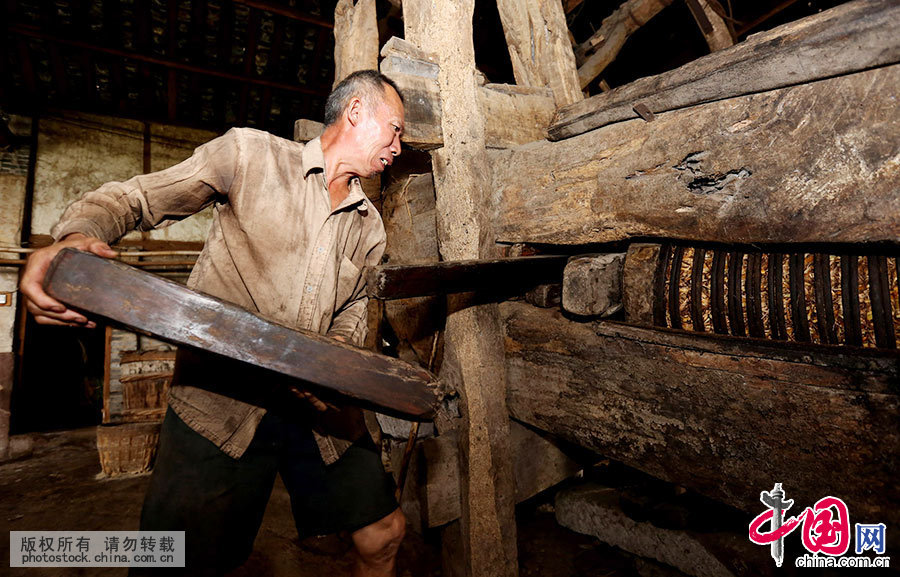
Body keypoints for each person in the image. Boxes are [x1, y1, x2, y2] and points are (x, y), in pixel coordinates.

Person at [20, 70, 407, 577]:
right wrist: (74, 235)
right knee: (178, 562)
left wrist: (330, 364)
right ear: (356, 111)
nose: (399, 147)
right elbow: (136, 198)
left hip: (315, 409)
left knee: (383, 532)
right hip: (221, 403)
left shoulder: (368, 223)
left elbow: (355, 306)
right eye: (395, 129)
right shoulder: (250, 156)